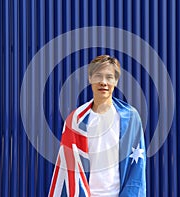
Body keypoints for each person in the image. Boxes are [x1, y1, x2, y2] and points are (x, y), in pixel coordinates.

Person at [49, 55, 146, 197]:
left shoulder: (130, 118)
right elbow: (68, 169)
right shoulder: (76, 120)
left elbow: (137, 168)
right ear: (90, 79)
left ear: (116, 81)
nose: (103, 82)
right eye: (98, 76)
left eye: (109, 77)